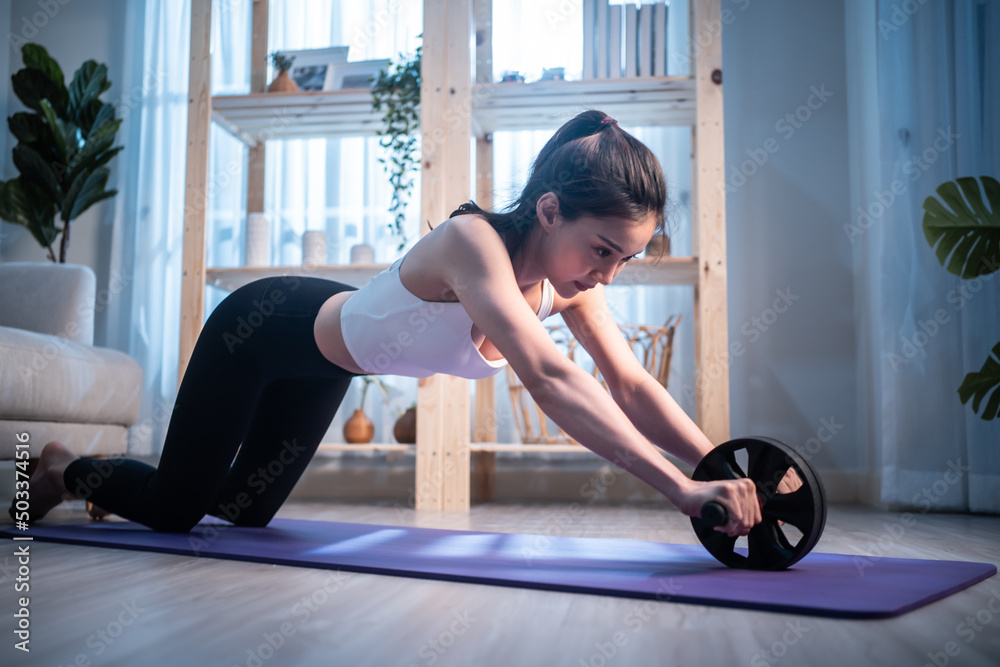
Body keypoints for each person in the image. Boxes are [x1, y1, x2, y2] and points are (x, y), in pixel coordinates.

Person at [13, 110, 768, 537]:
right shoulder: (474, 243)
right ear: (548, 210)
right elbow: (549, 374)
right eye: (602, 251)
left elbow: (629, 384)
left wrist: (719, 464)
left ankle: (88, 475)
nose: (605, 274)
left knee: (241, 513)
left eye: (623, 262)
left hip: (328, 363)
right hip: (264, 325)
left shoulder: (570, 283)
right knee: (180, 512)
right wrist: (679, 490)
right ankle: (62, 466)